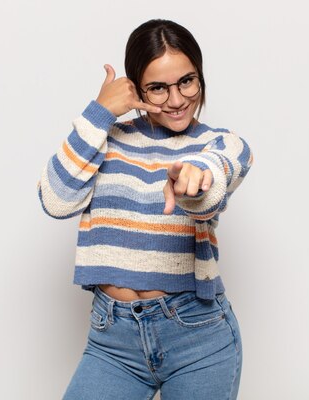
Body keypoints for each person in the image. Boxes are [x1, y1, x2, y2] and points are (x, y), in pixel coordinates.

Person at [37, 19, 253, 399]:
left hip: (198, 339)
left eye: (187, 81)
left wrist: (193, 180)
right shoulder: (105, 140)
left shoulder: (220, 143)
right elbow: (55, 200)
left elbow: (212, 186)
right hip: (112, 344)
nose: (176, 99)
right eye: (157, 88)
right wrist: (99, 114)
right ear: (135, 88)